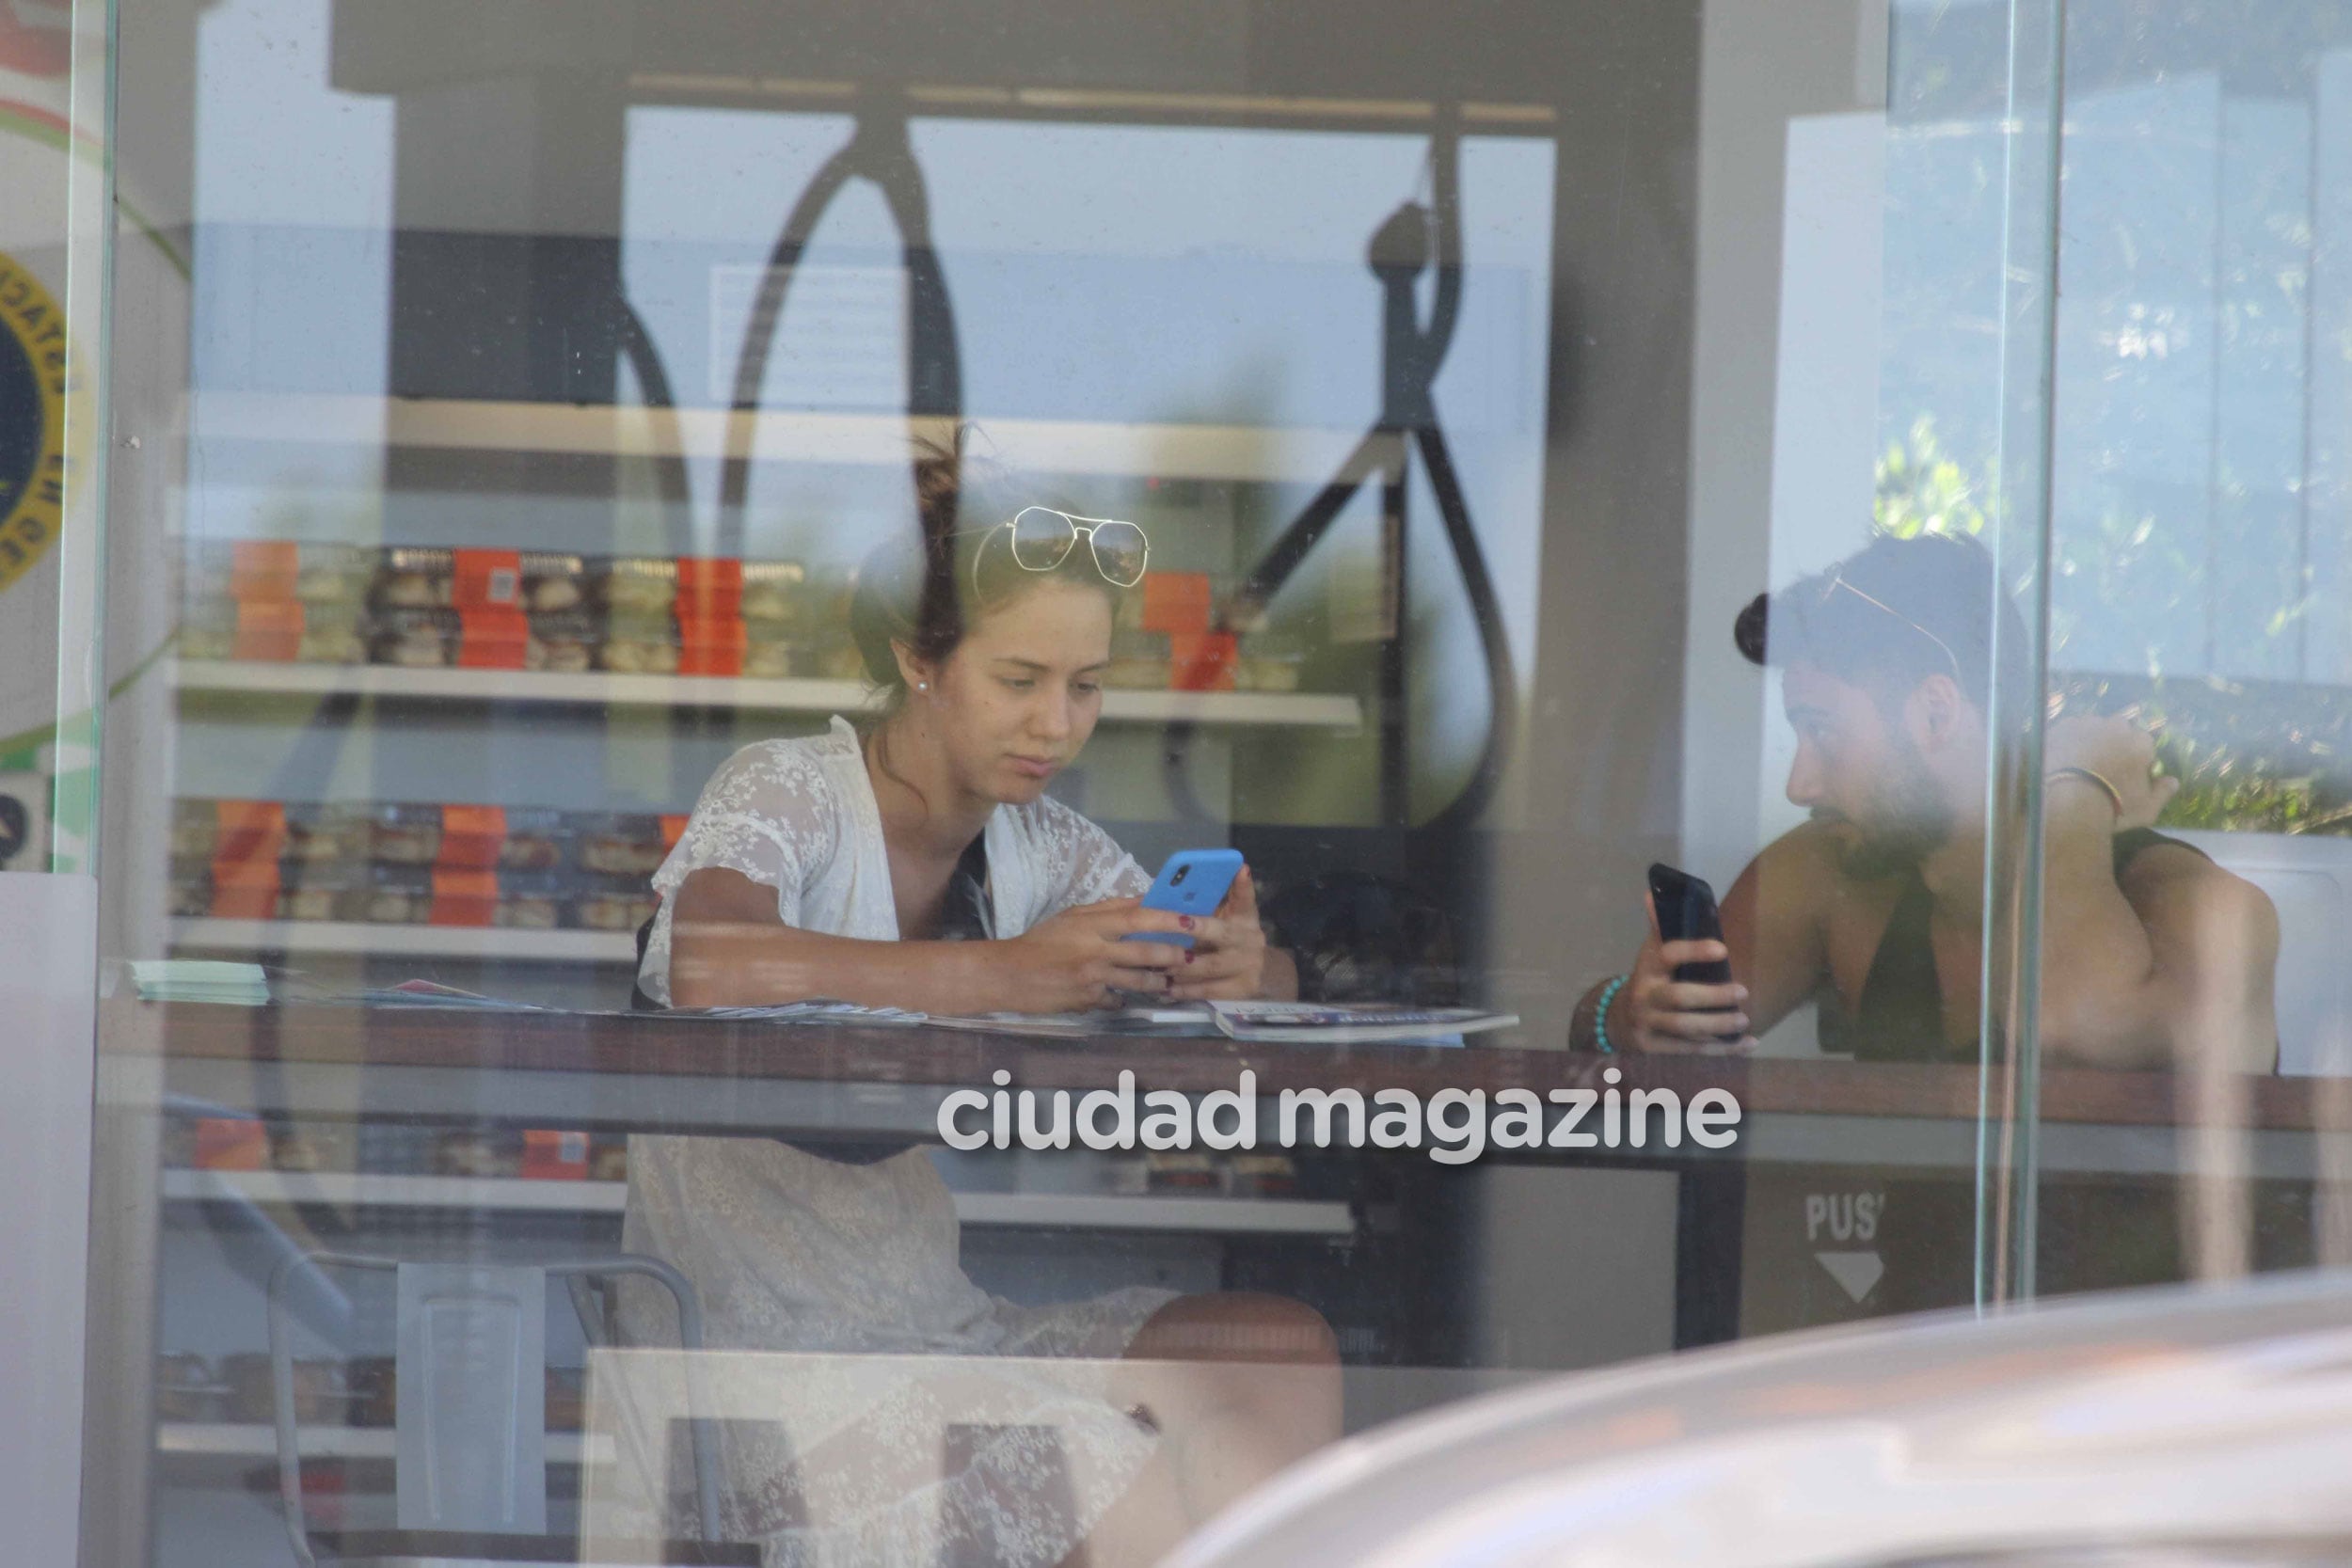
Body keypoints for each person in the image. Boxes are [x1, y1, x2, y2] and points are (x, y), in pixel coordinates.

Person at [618, 445, 1336, 1567]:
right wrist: (1002, 974)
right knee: (1123, 1482)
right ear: (917, 656)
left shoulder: (1038, 840)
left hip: (935, 1323)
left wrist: (1245, 967)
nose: (1057, 724)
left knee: (1269, 1344)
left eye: (1085, 684)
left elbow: (1235, 964)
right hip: (765, 1367)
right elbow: (704, 954)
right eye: (1019, 680)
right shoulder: (790, 788)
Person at [1571, 532, 2279, 1074]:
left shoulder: (2197, 909)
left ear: (1938, 713)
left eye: (1823, 732)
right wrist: (1630, 1017)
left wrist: (2076, 783)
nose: (1800, 784)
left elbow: (2063, 1020)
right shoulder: (1830, 878)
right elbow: (1612, 1033)